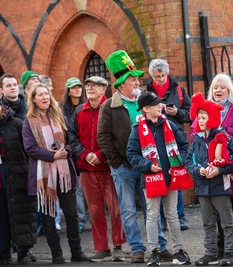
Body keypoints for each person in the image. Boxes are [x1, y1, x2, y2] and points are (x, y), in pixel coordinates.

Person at [98, 50, 170, 264]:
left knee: (153, 207)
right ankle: (137, 249)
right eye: (132, 79)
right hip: (124, 168)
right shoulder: (109, 106)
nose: (137, 81)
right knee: (128, 209)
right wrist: (117, 162)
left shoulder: (146, 101)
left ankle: (159, 247)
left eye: (137, 78)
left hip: (147, 165)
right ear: (121, 84)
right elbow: (103, 137)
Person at [22, 83, 89, 264]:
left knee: (72, 214)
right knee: (49, 216)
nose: (44, 97)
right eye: (40, 95)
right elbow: (30, 148)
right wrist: (53, 155)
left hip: (64, 172)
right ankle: (57, 254)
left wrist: (66, 150)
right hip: (43, 175)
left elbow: (70, 139)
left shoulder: (59, 116)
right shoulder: (29, 121)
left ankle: (77, 252)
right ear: (33, 99)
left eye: (46, 94)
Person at [195, 73, 233, 261]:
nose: (218, 90)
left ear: (230, 90)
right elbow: (194, 133)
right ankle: (222, 248)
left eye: (222, 87)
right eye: (215, 87)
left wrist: (226, 132)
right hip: (212, 169)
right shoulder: (204, 110)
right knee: (218, 209)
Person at [126, 92, 191, 266]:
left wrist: (180, 161)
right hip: (150, 179)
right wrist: (148, 165)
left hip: (171, 177)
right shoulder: (136, 130)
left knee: (172, 214)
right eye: (156, 104)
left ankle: (178, 250)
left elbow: (183, 145)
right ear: (146, 109)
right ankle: (154, 252)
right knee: (153, 215)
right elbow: (131, 154)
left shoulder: (169, 124)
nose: (160, 106)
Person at [68, 76, 126, 262]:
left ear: (104, 89)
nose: (89, 88)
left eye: (95, 86)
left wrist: (100, 155)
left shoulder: (111, 108)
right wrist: (85, 154)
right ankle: (101, 248)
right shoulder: (79, 110)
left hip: (108, 167)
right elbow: (72, 138)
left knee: (115, 207)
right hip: (86, 168)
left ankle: (118, 245)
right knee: (94, 210)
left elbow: (117, 138)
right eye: (88, 86)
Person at [0, 88, 37, 264]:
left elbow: (28, 150)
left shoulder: (17, 123)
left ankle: (23, 251)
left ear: (1, 105)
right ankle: (2, 250)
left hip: (17, 175)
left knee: (20, 214)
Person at [186, 92, 233, 266]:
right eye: (198, 118)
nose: (200, 121)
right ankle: (211, 253)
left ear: (211, 118)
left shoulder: (223, 136)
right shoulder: (196, 139)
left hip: (220, 186)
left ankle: (229, 254)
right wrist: (198, 170)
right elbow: (189, 160)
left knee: (227, 222)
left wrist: (219, 170)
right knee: (208, 223)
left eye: (203, 117)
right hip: (203, 187)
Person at [146, 58, 192, 231]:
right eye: (157, 76)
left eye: (163, 75)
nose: (160, 79)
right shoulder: (147, 91)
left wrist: (177, 112)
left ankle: (179, 216)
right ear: (152, 76)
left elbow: (190, 114)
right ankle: (163, 218)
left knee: (176, 176)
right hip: (155, 138)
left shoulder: (179, 90)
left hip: (175, 136)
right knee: (160, 177)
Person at [60, 77, 87, 233]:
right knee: (75, 188)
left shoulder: (85, 106)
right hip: (70, 151)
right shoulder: (63, 109)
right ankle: (80, 220)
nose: (77, 89)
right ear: (68, 91)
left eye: (79, 87)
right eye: (73, 87)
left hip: (83, 150)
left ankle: (85, 218)